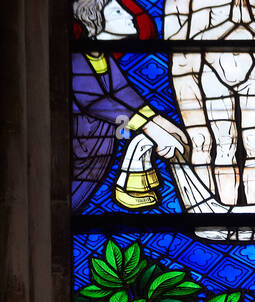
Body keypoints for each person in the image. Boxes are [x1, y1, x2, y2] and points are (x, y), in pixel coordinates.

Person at [163, 0, 255, 206]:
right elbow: (193, 39)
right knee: (224, 146)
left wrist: (251, 23)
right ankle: (226, 209)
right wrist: (231, 23)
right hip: (213, 69)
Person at [72, 0, 189, 211]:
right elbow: (95, 102)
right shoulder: (77, 59)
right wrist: (152, 128)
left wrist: (165, 124)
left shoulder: (103, 58)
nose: (130, 15)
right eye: (118, 10)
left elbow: (126, 96)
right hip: (78, 155)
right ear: (94, 18)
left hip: (97, 157)